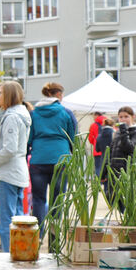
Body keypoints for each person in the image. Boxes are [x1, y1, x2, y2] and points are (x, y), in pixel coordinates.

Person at [28, 82, 78, 233]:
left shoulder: (34, 114)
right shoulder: (66, 113)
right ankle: (54, 238)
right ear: (58, 95)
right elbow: (73, 138)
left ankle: (38, 235)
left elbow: (29, 138)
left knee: (38, 199)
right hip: (60, 159)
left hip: (38, 159)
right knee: (58, 200)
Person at [0, 80, 31, 251]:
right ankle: (19, 254)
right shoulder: (19, 114)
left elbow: (10, 148)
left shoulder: (12, 117)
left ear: (9, 95)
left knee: (6, 221)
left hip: (8, 173)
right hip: (17, 172)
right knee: (18, 220)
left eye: (0, 92)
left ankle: (8, 257)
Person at [105, 106, 136, 201]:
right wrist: (105, 172)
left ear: (133, 117)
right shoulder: (118, 132)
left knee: (126, 200)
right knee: (113, 200)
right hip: (115, 171)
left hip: (128, 171)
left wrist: (124, 130)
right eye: (121, 117)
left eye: (126, 116)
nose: (123, 119)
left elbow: (130, 147)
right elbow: (111, 151)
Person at [95, 116, 115, 184]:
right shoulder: (114, 133)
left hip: (103, 158)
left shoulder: (99, 135)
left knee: (104, 177)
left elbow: (97, 149)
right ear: (112, 125)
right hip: (113, 159)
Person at [88, 112, 106, 178]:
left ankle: (99, 184)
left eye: (93, 116)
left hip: (97, 150)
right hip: (107, 149)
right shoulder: (107, 122)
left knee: (98, 167)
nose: (93, 117)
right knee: (106, 167)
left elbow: (90, 138)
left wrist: (95, 143)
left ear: (96, 115)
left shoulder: (93, 125)